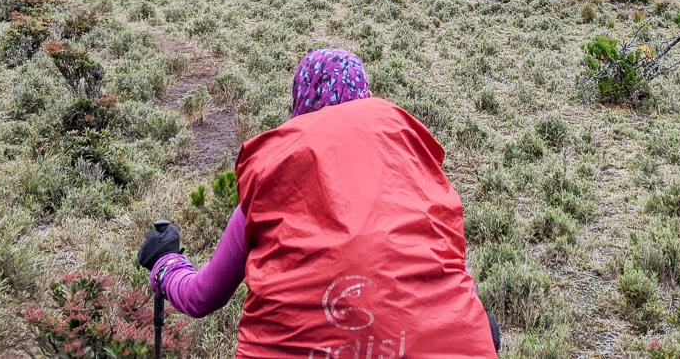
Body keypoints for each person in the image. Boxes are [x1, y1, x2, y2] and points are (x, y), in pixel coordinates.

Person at [138, 49, 499, 358]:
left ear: (300, 102)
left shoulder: (273, 184)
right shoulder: (416, 176)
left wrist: (165, 264)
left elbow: (202, 296)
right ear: (365, 96)